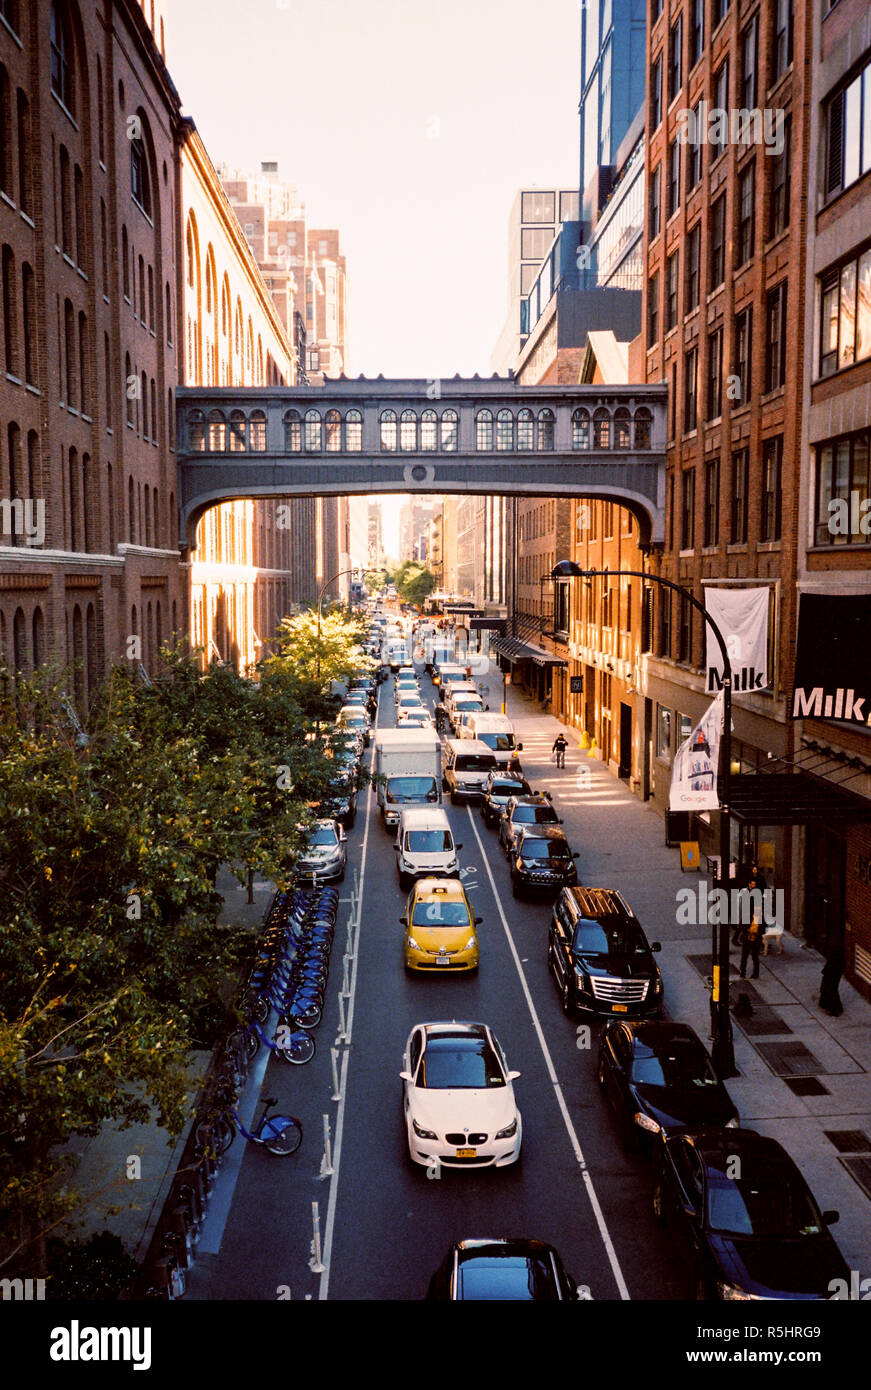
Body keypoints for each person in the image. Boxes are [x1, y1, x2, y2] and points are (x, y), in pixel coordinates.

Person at [819, 945, 845, 1016]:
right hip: (831, 973)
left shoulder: (837, 955)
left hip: (833, 974)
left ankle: (834, 1009)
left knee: (831, 989)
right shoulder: (836, 954)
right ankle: (825, 1004)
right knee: (829, 988)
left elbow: (832, 966)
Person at [739, 915, 763, 979]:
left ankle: (755, 974)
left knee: (755, 957)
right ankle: (742, 972)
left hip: (756, 941)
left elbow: (763, 930)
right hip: (747, 939)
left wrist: (757, 933)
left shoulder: (762, 919)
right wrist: (748, 930)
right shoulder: (747, 916)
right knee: (744, 956)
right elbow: (741, 926)